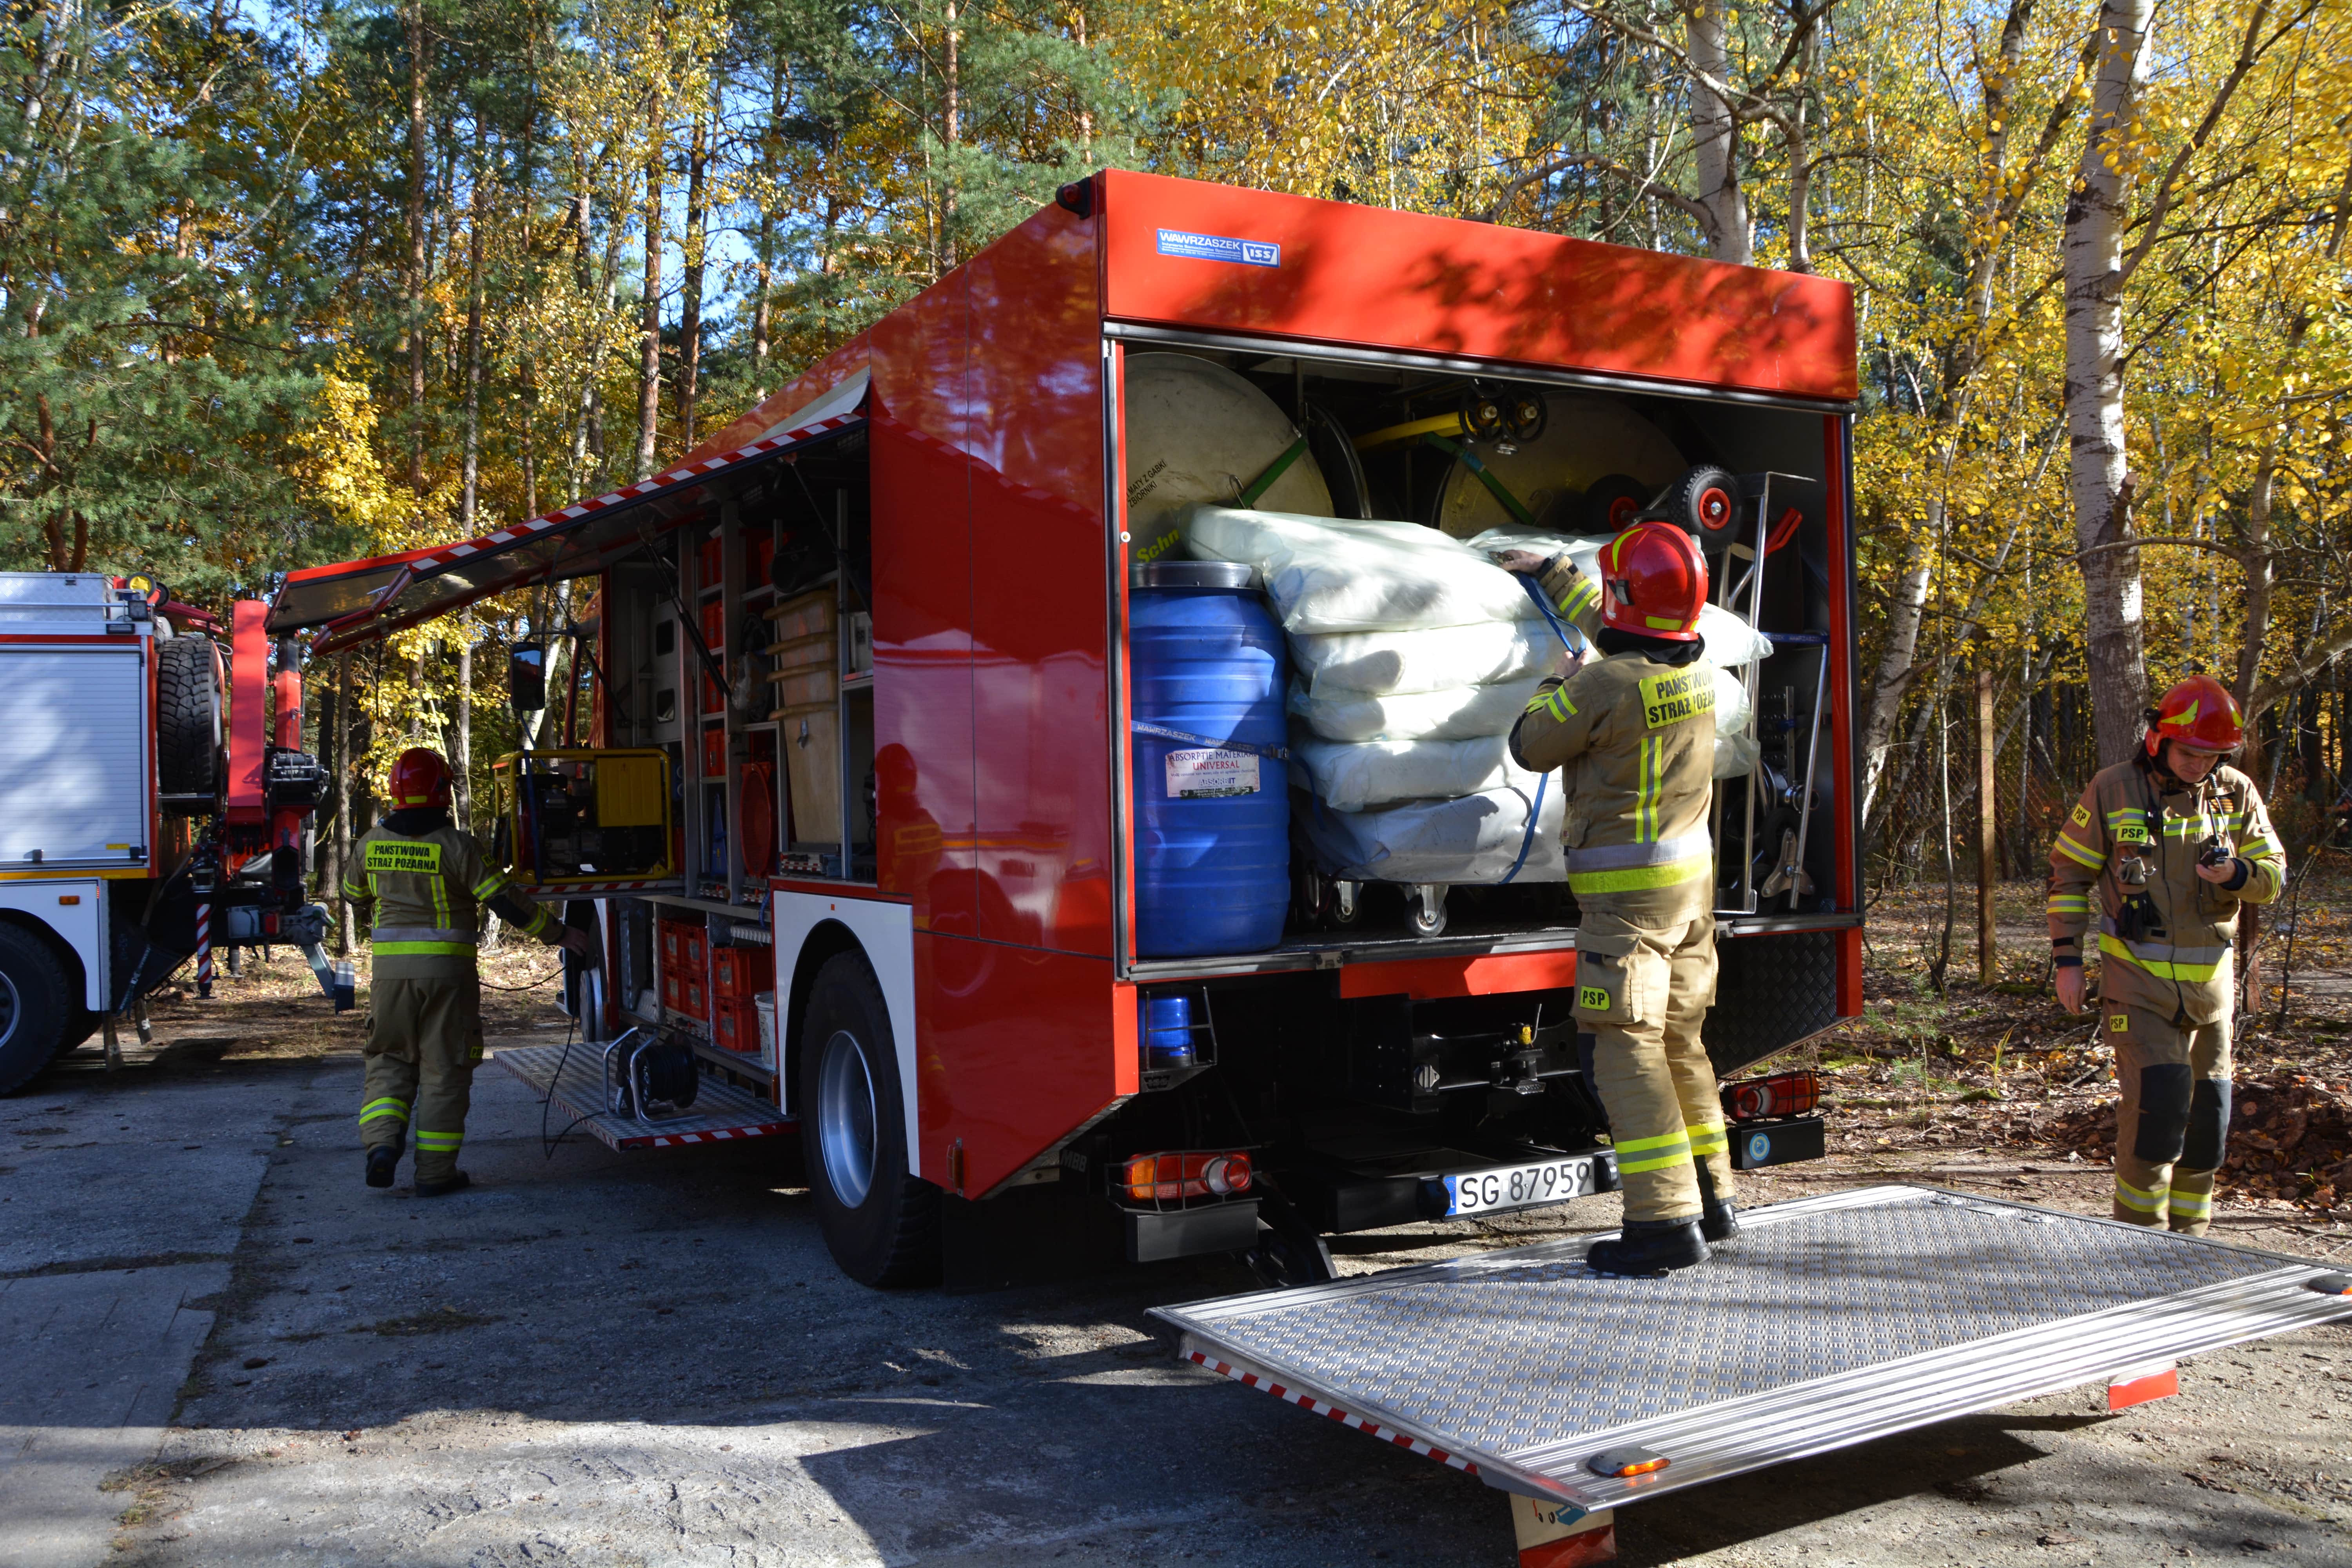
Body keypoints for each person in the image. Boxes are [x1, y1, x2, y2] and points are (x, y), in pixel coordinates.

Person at [1499, 522, 1731, 1276]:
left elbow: (1531, 745)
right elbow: (1624, 628)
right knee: (1681, 1044)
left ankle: (1664, 1224)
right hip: (1691, 898)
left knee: (1626, 1052)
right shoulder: (1698, 670)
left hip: (1628, 909)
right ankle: (1712, 1198)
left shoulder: (1601, 686)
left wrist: (1556, 680)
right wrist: (1556, 573)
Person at [2047, 674, 2285, 1236]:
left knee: (2207, 1126)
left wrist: (2237, 873)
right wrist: (2068, 962)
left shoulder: (2236, 791)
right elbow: (2068, 876)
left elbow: (2273, 876)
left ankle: (2191, 1250)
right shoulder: (2113, 788)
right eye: (2189, 753)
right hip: (2138, 986)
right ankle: (2143, 1250)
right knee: (2158, 1119)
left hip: (2212, 992)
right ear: (2159, 740)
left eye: (2211, 756)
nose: (2200, 766)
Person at [342, 747, 595, 1195]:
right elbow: (504, 901)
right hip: (448, 977)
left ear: (396, 792)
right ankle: (435, 1174)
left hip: (390, 979)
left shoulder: (369, 843)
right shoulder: (457, 846)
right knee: (445, 1070)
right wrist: (558, 934)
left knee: (388, 1059)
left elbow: (352, 894)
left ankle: (381, 1145)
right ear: (442, 790)